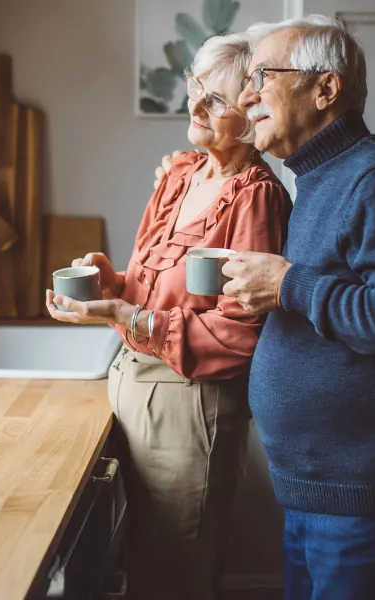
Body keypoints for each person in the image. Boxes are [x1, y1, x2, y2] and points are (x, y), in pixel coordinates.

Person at [155, 15, 375, 600]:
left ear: (326, 89)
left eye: (264, 75)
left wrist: (289, 285)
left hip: (368, 492)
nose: (248, 94)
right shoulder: (316, 179)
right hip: (316, 489)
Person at [45, 33, 291, 600]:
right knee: (142, 563)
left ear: (252, 116)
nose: (196, 106)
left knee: (175, 575)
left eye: (216, 101)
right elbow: (147, 287)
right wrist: (114, 283)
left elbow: (241, 333)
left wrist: (132, 317)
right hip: (131, 384)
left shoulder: (256, 197)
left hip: (190, 406)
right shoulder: (181, 173)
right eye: (195, 88)